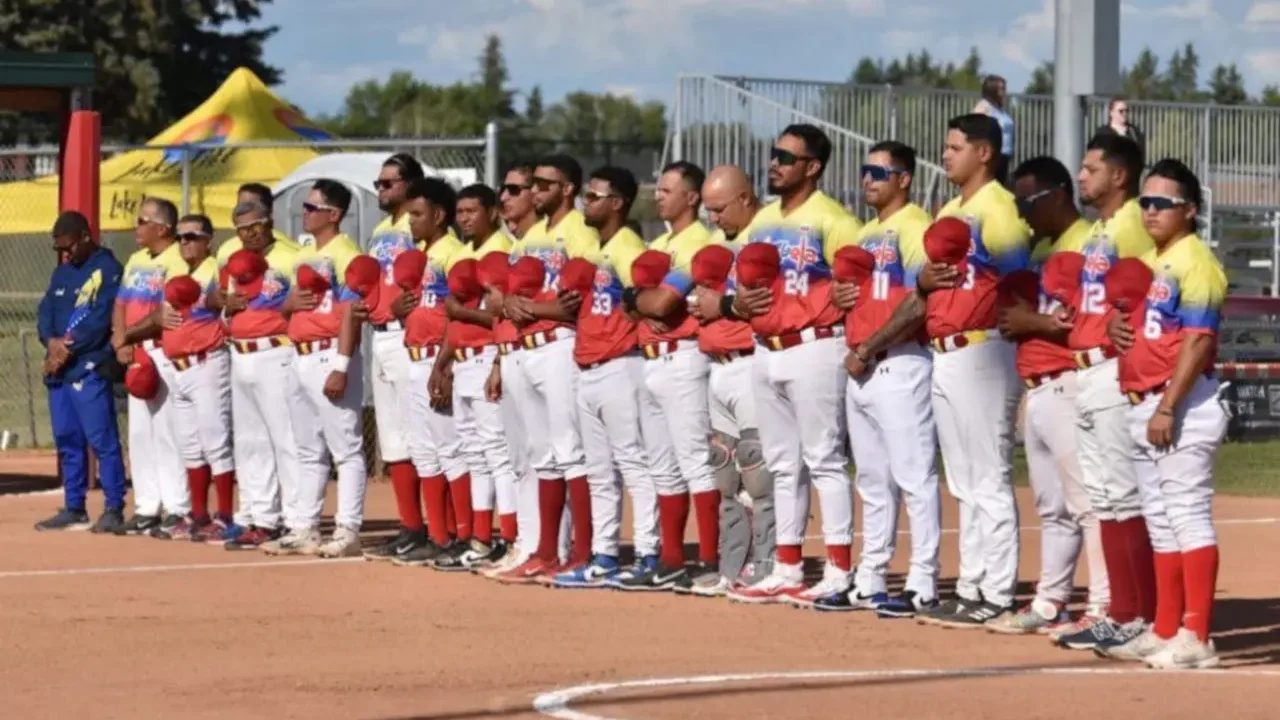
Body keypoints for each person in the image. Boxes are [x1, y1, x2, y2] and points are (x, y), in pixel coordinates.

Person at [859, 115, 1030, 627]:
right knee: (963, 479)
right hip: (946, 350)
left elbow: (1019, 282)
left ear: (984, 153)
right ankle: (972, 585)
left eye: (956, 147)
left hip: (983, 348)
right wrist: (925, 281)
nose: (946, 155)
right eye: (946, 146)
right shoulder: (951, 210)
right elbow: (928, 285)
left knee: (989, 475)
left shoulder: (998, 208)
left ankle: (997, 591)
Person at [723, 124, 862, 607]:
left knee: (824, 459)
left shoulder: (835, 219)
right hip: (766, 347)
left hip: (815, 344)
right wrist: (739, 302)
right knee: (783, 464)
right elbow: (738, 287)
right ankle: (787, 568)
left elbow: (856, 287)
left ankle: (839, 570)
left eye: (786, 157)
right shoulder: (762, 221)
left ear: (812, 166)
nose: (774, 164)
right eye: (773, 154)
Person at [1105, 158, 1227, 670]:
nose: (1151, 211)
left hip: (1181, 405)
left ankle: (1196, 637)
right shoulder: (1150, 261)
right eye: (1145, 202)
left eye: (1163, 203)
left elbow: (1198, 341)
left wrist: (1168, 406)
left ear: (1190, 210)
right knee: (1161, 522)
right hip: (1145, 404)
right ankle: (1165, 629)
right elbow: (1140, 325)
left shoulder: (1197, 262)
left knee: (1187, 518)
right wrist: (1114, 328)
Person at [817, 141, 942, 617]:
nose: (867, 179)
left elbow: (918, 302)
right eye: (864, 171)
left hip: (899, 360)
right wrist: (840, 297)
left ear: (904, 179)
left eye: (879, 172)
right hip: (863, 368)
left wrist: (868, 346)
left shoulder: (916, 227)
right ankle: (871, 579)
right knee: (871, 481)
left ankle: (923, 581)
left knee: (914, 476)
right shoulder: (867, 233)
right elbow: (855, 296)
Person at [988, 157, 1110, 636]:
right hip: (1038, 388)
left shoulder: (1087, 244)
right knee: (1052, 507)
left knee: (1087, 503)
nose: (1021, 214)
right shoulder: (1045, 250)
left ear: (1058, 195)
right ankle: (1050, 601)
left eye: (1027, 202)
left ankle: (1102, 605)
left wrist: (1030, 322)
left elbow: (1081, 323)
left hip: (1069, 382)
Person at [1056, 133, 1158, 653]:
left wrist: (1133, 327)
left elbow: (1158, 284)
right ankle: (1121, 614)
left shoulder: (1136, 221)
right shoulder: (1099, 229)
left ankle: (1141, 615)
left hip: (1115, 369)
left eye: (1091, 168)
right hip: (1088, 370)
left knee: (1124, 496)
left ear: (1119, 175)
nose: (1081, 175)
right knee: (1104, 498)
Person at [550, 165, 657, 591]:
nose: (585, 203)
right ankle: (605, 555)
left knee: (633, 463)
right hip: (589, 366)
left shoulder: (628, 248)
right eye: (586, 195)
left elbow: (646, 302)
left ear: (617, 203)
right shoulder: (595, 248)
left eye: (594, 196)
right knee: (599, 471)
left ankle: (648, 553)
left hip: (621, 365)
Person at [498, 155, 596, 584]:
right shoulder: (530, 236)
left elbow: (577, 301)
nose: (535, 190)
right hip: (526, 348)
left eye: (544, 184)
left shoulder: (580, 230)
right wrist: (514, 304)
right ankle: (547, 551)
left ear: (567, 189)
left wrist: (533, 308)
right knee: (542, 455)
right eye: (533, 183)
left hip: (560, 346)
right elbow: (505, 298)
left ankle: (584, 552)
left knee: (570, 451)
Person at [624, 161, 719, 591]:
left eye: (667, 190)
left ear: (692, 198)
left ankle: (710, 560)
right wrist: (642, 300)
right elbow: (630, 303)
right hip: (651, 358)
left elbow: (662, 305)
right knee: (662, 466)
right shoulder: (659, 243)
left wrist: (644, 300)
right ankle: (673, 560)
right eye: (658, 189)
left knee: (695, 461)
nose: (658, 195)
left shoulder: (700, 241)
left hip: (684, 356)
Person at [687, 164, 777, 595]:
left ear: (745, 197)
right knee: (724, 475)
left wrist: (720, 305)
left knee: (758, 474)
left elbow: (761, 301)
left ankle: (768, 565)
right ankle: (730, 568)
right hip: (717, 366)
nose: (713, 217)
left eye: (720, 208)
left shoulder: (767, 236)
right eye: (708, 210)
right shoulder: (717, 244)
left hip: (750, 362)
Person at [275, 179, 368, 558]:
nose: (305, 213)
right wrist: (289, 303)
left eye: (313, 207)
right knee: (307, 448)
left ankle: (348, 529)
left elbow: (351, 313)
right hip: (299, 354)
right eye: (305, 206)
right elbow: (286, 308)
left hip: (330, 353)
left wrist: (342, 365)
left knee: (346, 449)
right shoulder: (303, 253)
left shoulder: (347, 254)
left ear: (334, 214)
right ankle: (305, 527)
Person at [433, 183, 517, 570]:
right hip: (463, 359)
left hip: (487, 357)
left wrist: (463, 315)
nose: (464, 218)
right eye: (460, 212)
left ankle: (511, 538)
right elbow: (453, 319)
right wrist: (442, 362)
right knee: (475, 455)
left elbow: (503, 315)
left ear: (493, 212)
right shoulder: (463, 253)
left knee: (497, 452)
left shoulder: (501, 251)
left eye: (472, 211)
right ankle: (481, 539)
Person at [390, 177, 473, 568]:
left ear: (440, 215)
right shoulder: (422, 254)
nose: (411, 221)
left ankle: (464, 535)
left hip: (439, 360)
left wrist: (446, 365)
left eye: (418, 214)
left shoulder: (453, 253)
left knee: (451, 450)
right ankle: (439, 537)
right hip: (414, 357)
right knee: (424, 452)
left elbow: (456, 316)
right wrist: (399, 310)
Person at [214, 201, 301, 550]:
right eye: (242, 228)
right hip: (240, 353)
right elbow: (220, 307)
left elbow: (305, 305)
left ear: (270, 222)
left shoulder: (290, 257)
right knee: (250, 441)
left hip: (276, 350)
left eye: (255, 225)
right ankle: (261, 518)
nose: (249, 233)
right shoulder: (234, 261)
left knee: (286, 439)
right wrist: (225, 307)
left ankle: (296, 520)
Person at [35, 211, 128, 533]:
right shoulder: (61, 273)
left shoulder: (108, 269)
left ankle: (114, 506)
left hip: (87, 367)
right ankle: (74, 506)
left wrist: (66, 348)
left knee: (102, 439)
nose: (66, 254)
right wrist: (51, 342)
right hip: (59, 370)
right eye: (60, 249)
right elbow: (45, 311)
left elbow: (100, 317)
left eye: (70, 246)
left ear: (86, 237)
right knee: (67, 438)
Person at [362, 153, 433, 563]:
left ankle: (437, 529)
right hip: (380, 335)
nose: (381, 189)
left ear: (409, 184)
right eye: (379, 183)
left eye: (388, 182)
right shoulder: (379, 231)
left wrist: (417, 302)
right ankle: (410, 526)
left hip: (409, 336)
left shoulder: (417, 224)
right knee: (393, 440)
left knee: (419, 435)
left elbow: (432, 272)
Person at [112, 197, 191, 536]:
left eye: (143, 221)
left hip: (164, 351)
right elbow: (120, 303)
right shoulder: (136, 259)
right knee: (140, 434)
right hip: (136, 351)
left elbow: (166, 315)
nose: (137, 227)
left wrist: (129, 336)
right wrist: (122, 341)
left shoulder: (177, 259)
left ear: (163, 228)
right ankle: (147, 506)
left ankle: (177, 506)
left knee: (168, 432)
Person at [156, 213, 237, 543]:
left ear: (208, 240)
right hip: (178, 367)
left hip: (206, 362)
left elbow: (225, 300)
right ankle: (199, 514)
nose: (185, 242)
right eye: (180, 237)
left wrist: (211, 299)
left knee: (215, 441)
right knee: (190, 445)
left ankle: (226, 516)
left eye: (192, 236)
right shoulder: (178, 274)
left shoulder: (216, 269)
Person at [215, 183, 300, 265]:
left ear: (269, 215)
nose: (246, 210)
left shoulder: (292, 257)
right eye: (241, 206)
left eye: (253, 205)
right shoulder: (226, 251)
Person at [974, 75, 1015, 185]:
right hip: (992, 155)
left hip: (1004, 155)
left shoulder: (999, 108)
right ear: (992, 89)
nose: (1005, 92)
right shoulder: (983, 107)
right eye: (1002, 89)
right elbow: (977, 129)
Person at [1094, 97, 1146, 164]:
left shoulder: (1134, 132)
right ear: (1111, 113)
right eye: (1121, 111)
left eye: (1126, 111)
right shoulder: (1103, 132)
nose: (1124, 113)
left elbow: (1141, 155)